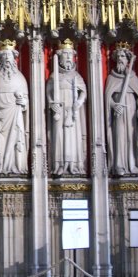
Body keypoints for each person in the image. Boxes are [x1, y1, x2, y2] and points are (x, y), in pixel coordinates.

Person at [105, 42, 138, 176]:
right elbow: (107, 97)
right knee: (119, 136)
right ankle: (119, 165)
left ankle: (134, 164)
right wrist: (113, 105)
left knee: (132, 136)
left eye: (123, 56)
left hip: (132, 112)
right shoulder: (112, 78)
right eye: (118, 57)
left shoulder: (133, 78)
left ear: (128, 60)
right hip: (118, 111)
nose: (120, 59)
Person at [46, 39, 87, 176]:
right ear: (60, 57)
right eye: (66, 55)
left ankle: (74, 165)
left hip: (73, 112)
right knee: (58, 137)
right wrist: (52, 104)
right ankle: (59, 165)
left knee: (73, 138)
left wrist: (79, 102)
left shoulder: (76, 76)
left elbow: (83, 92)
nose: (69, 58)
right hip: (59, 112)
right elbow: (48, 94)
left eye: (71, 55)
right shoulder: (54, 77)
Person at [0, 39, 29, 175]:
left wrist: (23, 103)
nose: (6, 59)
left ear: (14, 59)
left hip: (15, 117)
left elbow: (26, 102)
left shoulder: (20, 78)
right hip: (0, 118)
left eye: (9, 56)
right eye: (4, 56)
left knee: (16, 142)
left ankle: (16, 167)